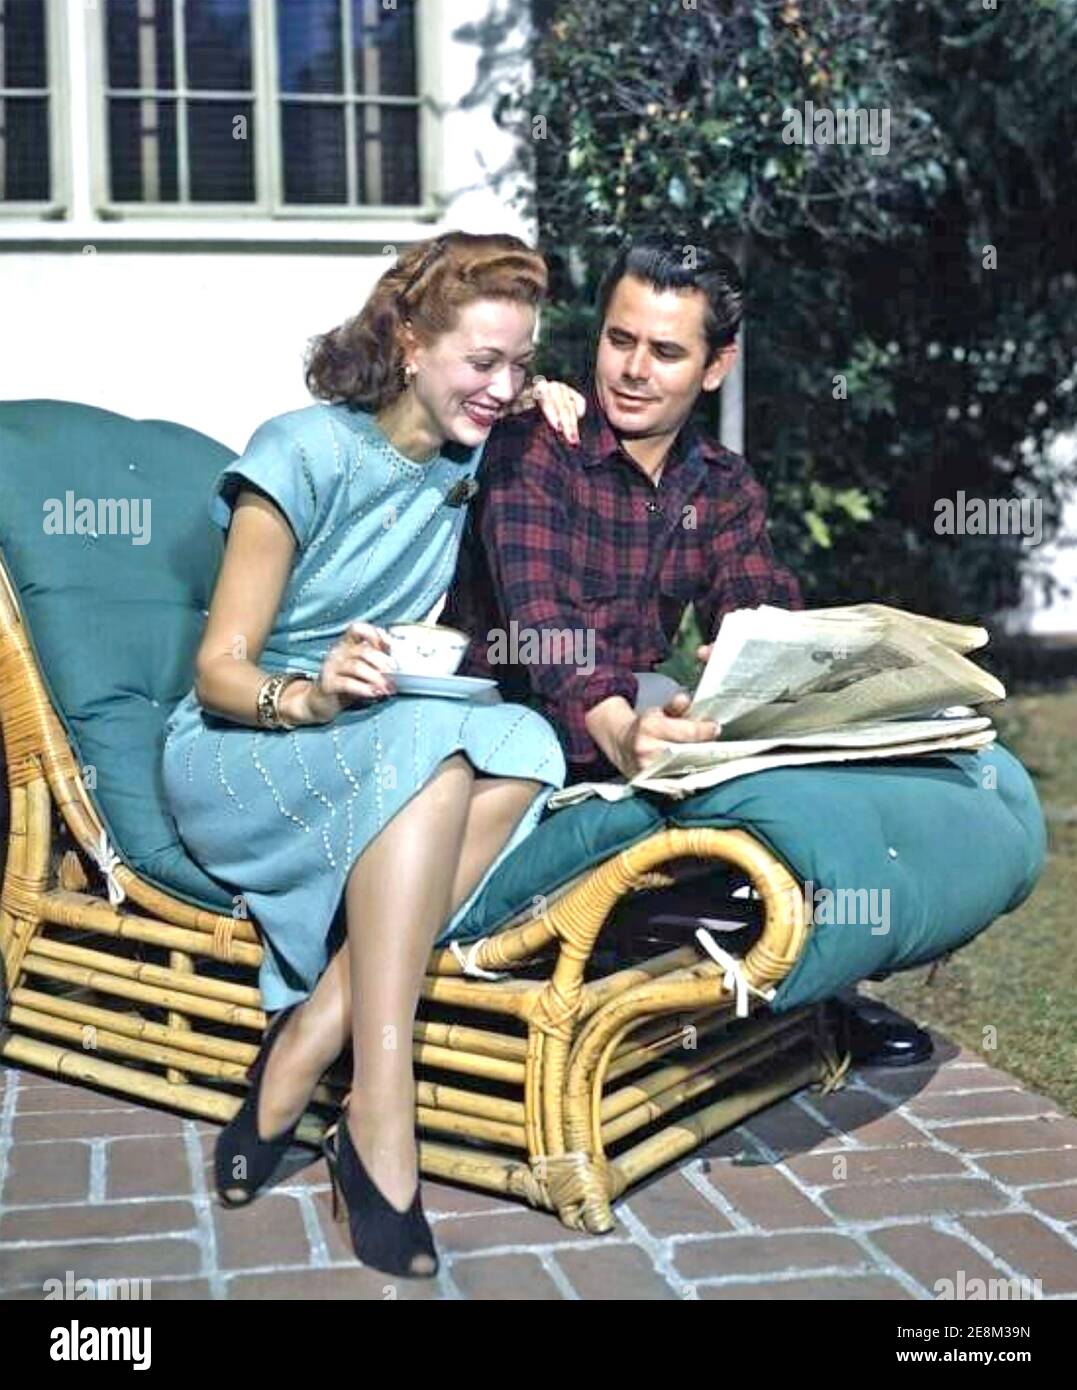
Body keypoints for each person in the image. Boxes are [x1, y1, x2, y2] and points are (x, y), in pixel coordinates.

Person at [161, 232, 583, 1279]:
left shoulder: (472, 440)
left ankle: (306, 1040)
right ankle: (378, 1111)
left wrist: (544, 393)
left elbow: (514, 405)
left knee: (528, 743)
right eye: (481, 361)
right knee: (437, 763)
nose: (501, 386)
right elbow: (219, 669)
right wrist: (304, 695)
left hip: (377, 728)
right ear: (407, 339)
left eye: (519, 362)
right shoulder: (299, 450)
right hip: (245, 742)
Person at [444, 233, 932, 1068]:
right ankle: (731, 983)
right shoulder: (535, 448)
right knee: (684, 857)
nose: (632, 370)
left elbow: (756, 597)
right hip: (512, 748)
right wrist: (621, 728)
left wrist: (758, 653)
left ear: (715, 367)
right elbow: (543, 624)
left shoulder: (723, 485)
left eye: (666, 352)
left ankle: (815, 986)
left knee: (799, 782)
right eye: (618, 339)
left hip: (637, 734)